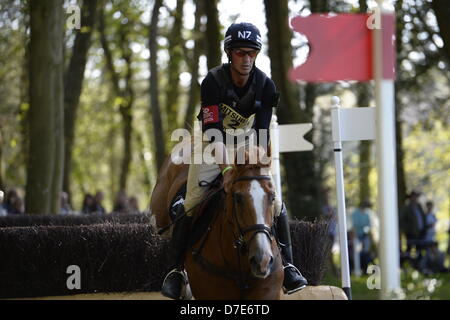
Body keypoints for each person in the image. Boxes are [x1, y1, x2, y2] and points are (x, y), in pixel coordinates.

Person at [161, 22, 308, 299]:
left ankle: (288, 266)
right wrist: (227, 169)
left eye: (251, 53)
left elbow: (262, 133)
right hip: (211, 140)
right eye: (240, 53)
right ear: (230, 54)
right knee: (192, 201)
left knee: (275, 202)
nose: (246, 59)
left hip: (248, 142)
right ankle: (176, 271)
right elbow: (213, 131)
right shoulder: (212, 82)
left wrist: (255, 163)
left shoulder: (266, 85)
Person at [401, 190, 426, 264]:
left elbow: (423, 217)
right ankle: (407, 264)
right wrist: (408, 229)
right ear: (410, 198)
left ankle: (419, 265)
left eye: (416, 197)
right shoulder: (406, 208)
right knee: (409, 249)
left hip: (420, 232)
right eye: (413, 197)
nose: (415, 198)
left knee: (419, 250)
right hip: (411, 233)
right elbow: (403, 220)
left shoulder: (419, 207)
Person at [351, 200, 374, 272]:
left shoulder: (367, 213)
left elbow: (369, 225)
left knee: (366, 252)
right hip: (357, 236)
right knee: (358, 253)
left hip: (365, 235)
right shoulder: (355, 213)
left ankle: (366, 269)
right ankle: (360, 268)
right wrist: (354, 237)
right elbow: (354, 225)